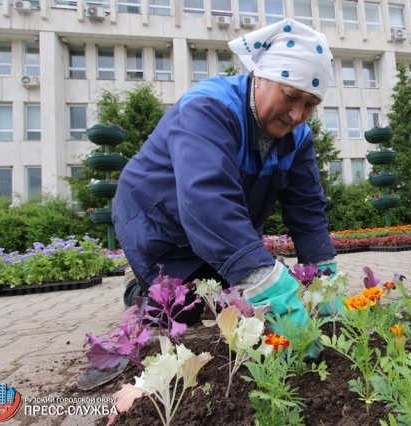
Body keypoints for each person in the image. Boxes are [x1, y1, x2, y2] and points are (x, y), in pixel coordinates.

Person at [112, 19, 337, 358]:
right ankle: (138, 288)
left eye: (310, 105)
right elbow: (207, 198)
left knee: (231, 305)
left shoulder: (298, 137)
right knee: (179, 311)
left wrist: (326, 279)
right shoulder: (208, 108)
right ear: (260, 77)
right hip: (160, 224)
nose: (296, 114)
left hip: (216, 231)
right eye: (291, 96)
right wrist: (262, 278)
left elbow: (306, 209)